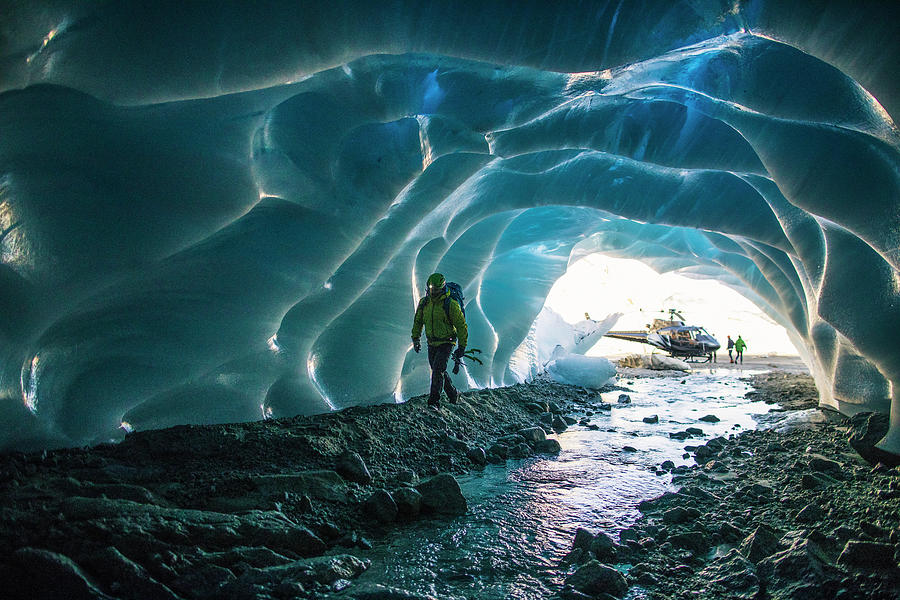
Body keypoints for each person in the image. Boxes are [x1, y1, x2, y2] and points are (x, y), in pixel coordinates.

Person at [411, 273, 468, 408]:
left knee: (437, 370)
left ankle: (434, 402)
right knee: (438, 369)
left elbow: (461, 326)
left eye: (436, 288)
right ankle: (453, 394)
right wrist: (416, 338)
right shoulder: (424, 303)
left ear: (442, 287)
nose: (433, 291)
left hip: (447, 342)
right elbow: (418, 321)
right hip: (431, 341)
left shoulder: (451, 304)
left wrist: (462, 346)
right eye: (431, 288)